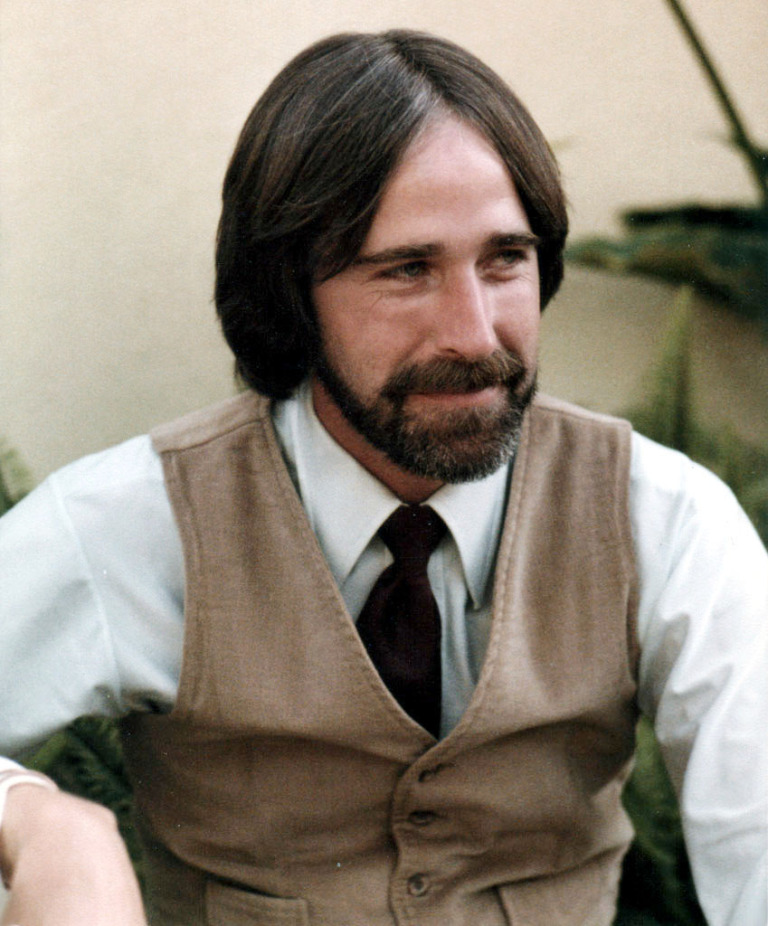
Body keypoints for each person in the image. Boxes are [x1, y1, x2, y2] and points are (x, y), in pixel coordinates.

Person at [0, 29, 765, 926]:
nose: (474, 334)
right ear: (290, 292)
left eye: (505, 259)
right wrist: (43, 823)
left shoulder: (664, 520)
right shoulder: (138, 523)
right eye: (407, 270)